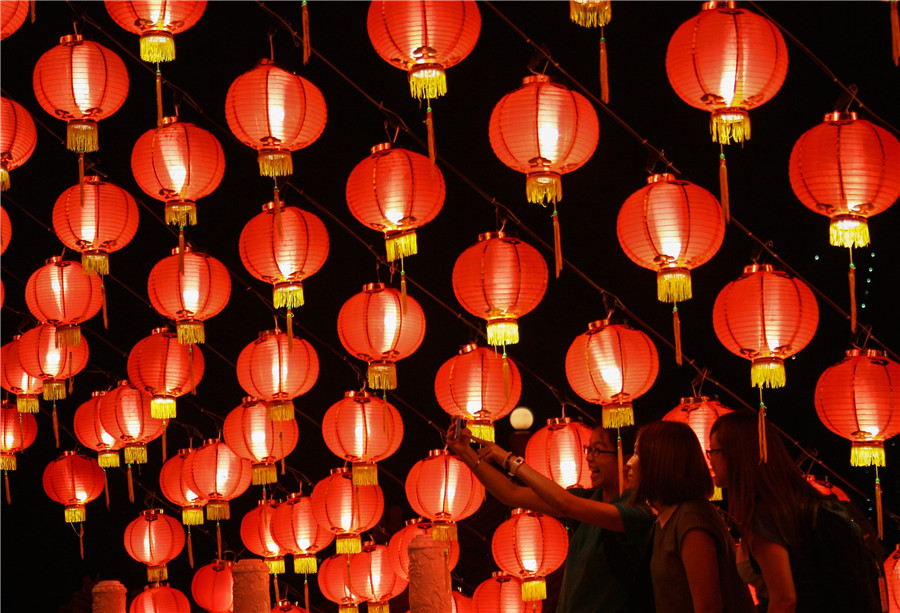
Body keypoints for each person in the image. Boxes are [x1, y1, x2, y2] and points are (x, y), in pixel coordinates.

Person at [446, 421, 655, 613]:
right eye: (588, 449)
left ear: (626, 461)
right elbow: (511, 494)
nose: (589, 457)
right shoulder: (589, 499)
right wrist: (466, 453)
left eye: (598, 450)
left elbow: (564, 504)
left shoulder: (637, 513)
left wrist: (509, 460)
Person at [708, 412, 884, 613]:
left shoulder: (764, 513)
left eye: (713, 451)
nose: (710, 460)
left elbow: (784, 600)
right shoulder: (800, 504)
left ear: (737, 454)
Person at [628, 420, 756, 613]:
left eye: (637, 453)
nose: (629, 463)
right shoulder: (665, 519)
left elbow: (708, 606)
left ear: (659, 461)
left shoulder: (691, 519)